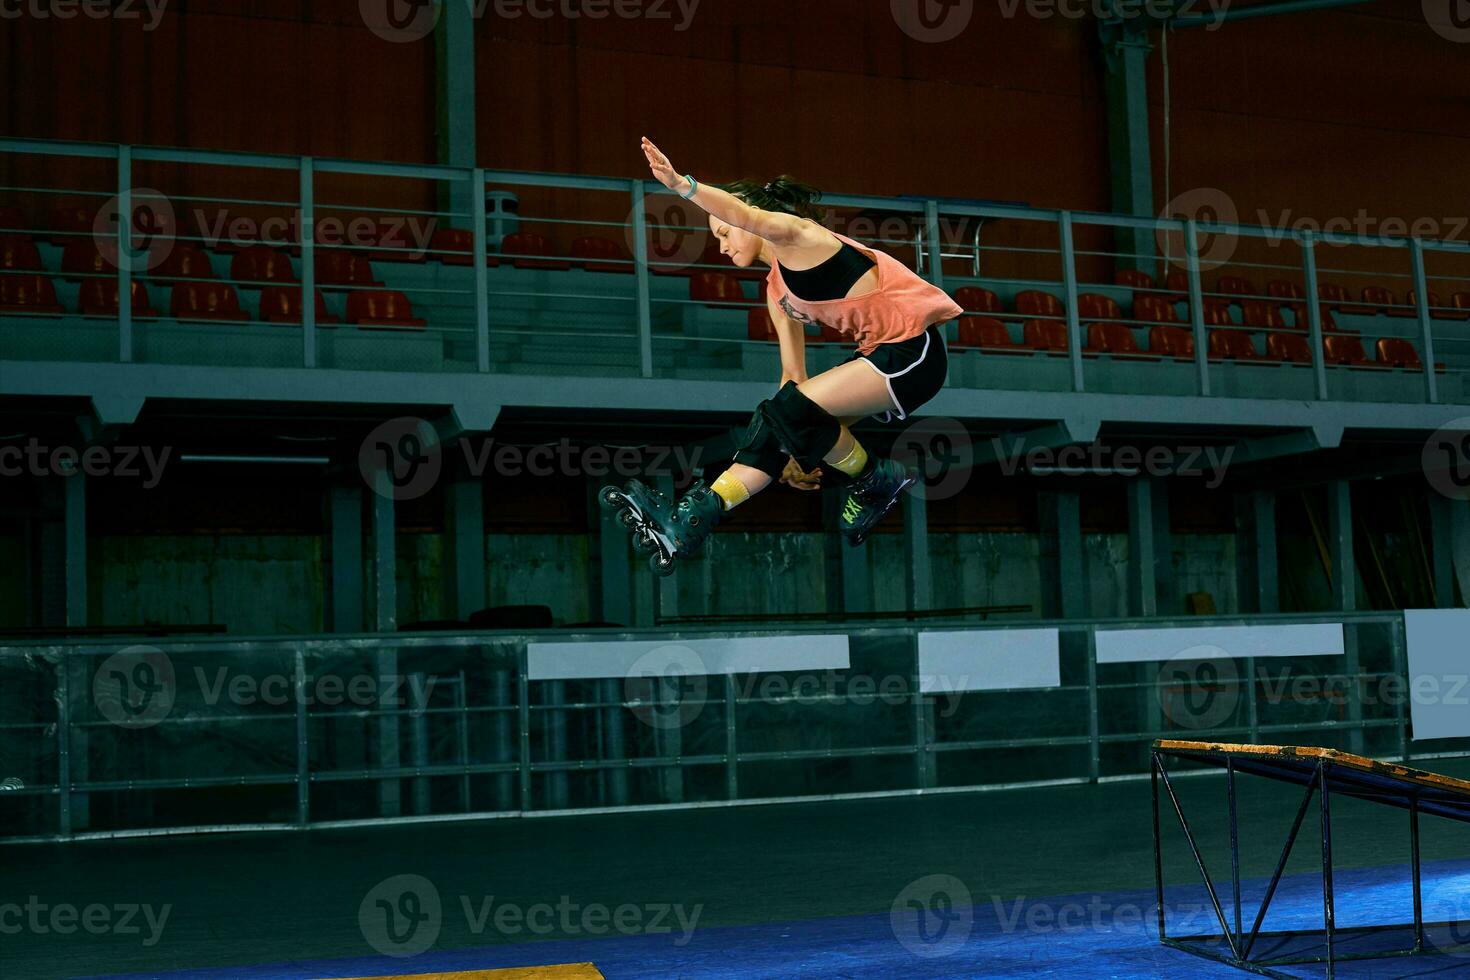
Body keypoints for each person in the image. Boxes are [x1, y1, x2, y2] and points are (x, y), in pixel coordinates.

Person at [603, 137, 963, 575]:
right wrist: (791, 447)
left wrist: (683, 185)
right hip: (877, 356)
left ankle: (874, 481)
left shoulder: (802, 236)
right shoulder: (778, 290)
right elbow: (792, 375)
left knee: (788, 413)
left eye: (722, 231)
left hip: (914, 351)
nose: (720, 245)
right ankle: (691, 520)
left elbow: (747, 215)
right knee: (773, 419)